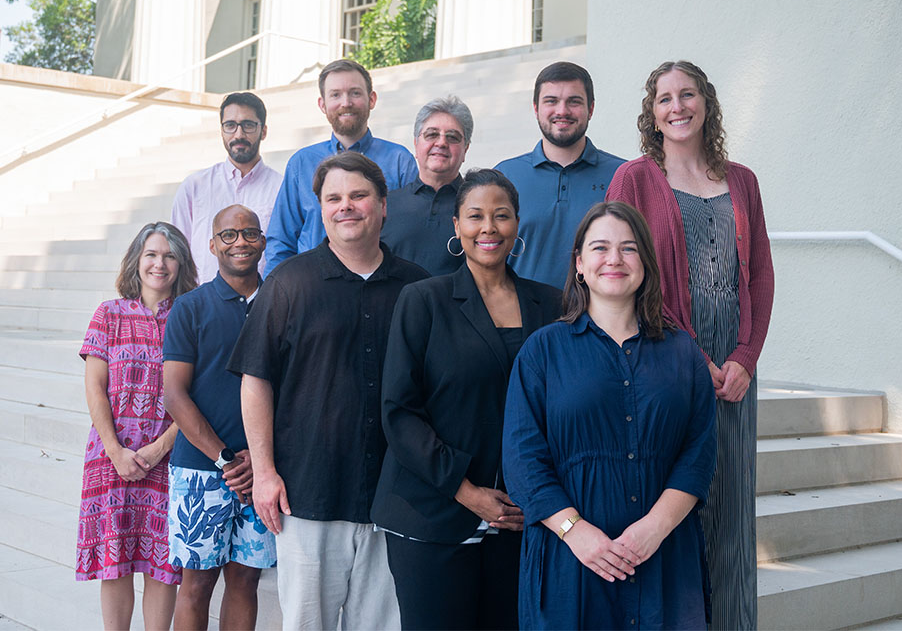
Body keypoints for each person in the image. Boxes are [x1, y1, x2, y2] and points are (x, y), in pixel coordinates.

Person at [604, 60, 775, 629]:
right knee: (678, 498)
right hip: (665, 355)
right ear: (651, 113)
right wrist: (694, 358)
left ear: (707, 101)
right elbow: (628, 270)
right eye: (664, 98)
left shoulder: (742, 179)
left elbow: (761, 277)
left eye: (688, 94)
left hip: (735, 368)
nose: (677, 106)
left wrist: (744, 358)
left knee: (730, 508)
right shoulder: (633, 178)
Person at [230, 152, 428, 630]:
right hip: (307, 495)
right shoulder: (287, 283)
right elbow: (255, 380)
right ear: (319, 208)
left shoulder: (419, 289)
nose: (347, 207)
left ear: (383, 205)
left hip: (394, 498)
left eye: (358, 196)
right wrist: (264, 473)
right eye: (333, 198)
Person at [502, 202, 717, 630]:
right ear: (580, 264)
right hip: (570, 563)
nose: (614, 259)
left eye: (629, 248)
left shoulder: (683, 354)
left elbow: (698, 454)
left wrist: (652, 530)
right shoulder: (543, 352)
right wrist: (577, 533)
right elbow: (523, 460)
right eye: (600, 248)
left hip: (664, 558)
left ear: (646, 265)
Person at [372, 168, 561, 630]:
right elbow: (399, 410)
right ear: (457, 225)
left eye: (501, 215)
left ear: (518, 224)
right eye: (475, 215)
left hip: (519, 521)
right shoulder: (424, 300)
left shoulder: (552, 306)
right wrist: (466, 492)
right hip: (434, 513)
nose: (488, 228)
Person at [77, 221, 198, 631]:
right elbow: (95, 387)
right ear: (136, 260)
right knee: (115, 563)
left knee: (161, 565)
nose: (159, 264)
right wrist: (115, 451)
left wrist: (159, 448)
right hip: (111, 457)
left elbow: (197, 394)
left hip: (168, 458)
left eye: (169, 255)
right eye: (151, 254)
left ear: (181, 264)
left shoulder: (192, 315)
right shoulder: (109, 314)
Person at [163, 204, 275, 630]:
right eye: (229, 235)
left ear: (263, 241)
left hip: (261, 470)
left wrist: (256, 459)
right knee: (196, 586)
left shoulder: (280, 301)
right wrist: (226, 459)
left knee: (245, 581)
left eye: (249, 233)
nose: (240, 242)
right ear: (211, 245)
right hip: (201, 471)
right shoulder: (190, 307)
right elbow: (174, 394)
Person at [264, 59, 418, 274]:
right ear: (322, 104)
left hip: (381, 284)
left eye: (355, 93)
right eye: (335, 94)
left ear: (371, 99)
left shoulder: (399, 161)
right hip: (312, 286)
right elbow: (281, 240)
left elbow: (411, 234)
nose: (346, 102)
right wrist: (275, 294)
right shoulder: (301, 164)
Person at [494, 61, 623, 290]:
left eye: (574, 101)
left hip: (598, 320)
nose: (562, 111)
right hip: (520, 319)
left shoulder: (623, 175)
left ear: (591, 109)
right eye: (551, 101)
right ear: (536, 108)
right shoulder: (504, 176)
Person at [172, 92, 282, 283]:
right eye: (230, 125)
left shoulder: (281, 188)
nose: (239, 134)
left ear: (263, 131)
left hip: (264, 303)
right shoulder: (194, 187)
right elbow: (177, 252)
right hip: (203, 304)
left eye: (248, 125)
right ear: (222, 130)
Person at [380, 95, 473, 276]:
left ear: (465, 150)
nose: (441, 143)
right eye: (431, 135)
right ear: (416, 144)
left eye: (452, 137)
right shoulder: (385, 205)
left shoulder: (478, 206)